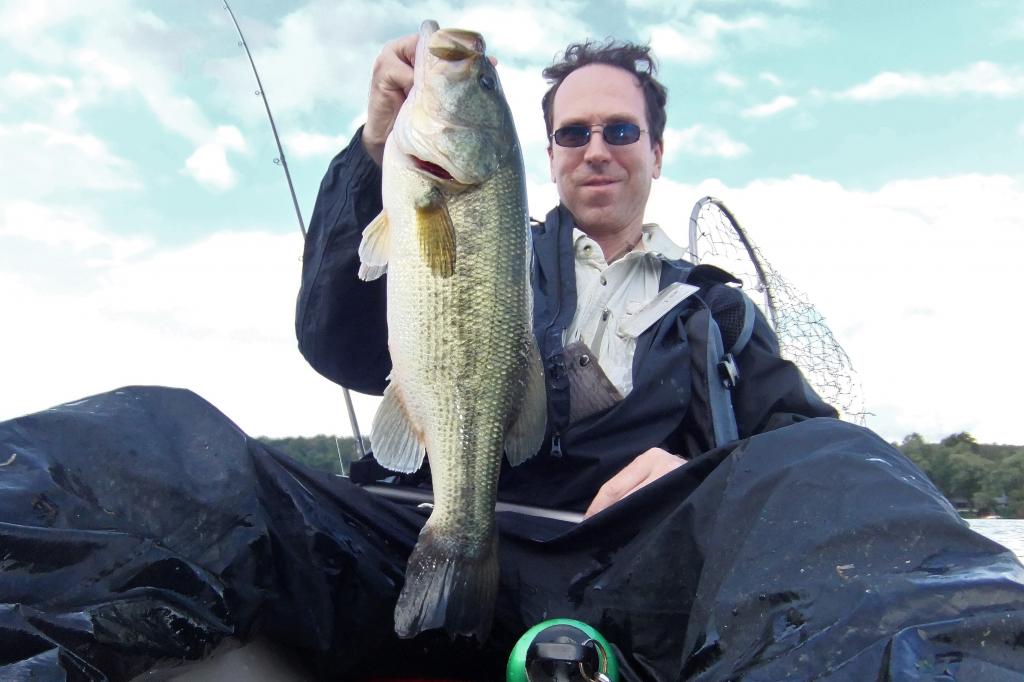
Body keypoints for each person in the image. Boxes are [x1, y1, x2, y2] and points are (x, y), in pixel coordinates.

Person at [2, 28, 1023, 682]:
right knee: (145, 438)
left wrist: (712, 473)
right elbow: (335, 337)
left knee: (848, 465)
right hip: (410, 529)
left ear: (655, 151)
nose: (596, 149)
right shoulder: (488, 243)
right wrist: (371, 160)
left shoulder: (720, 319)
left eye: (619, 128)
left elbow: (808, 466)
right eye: (571, 132)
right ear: (537, 151)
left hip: (636, 569)